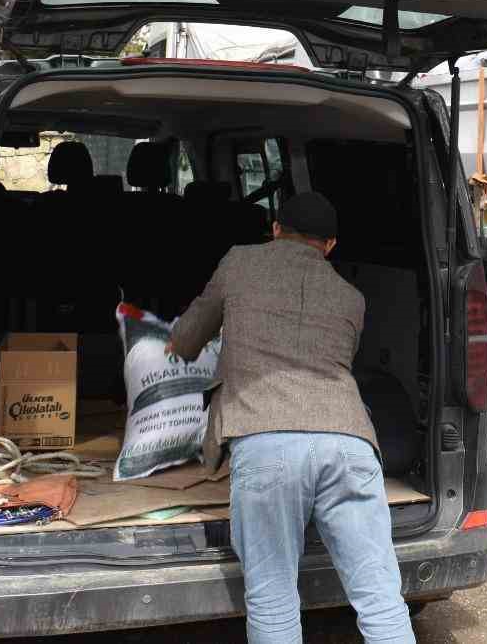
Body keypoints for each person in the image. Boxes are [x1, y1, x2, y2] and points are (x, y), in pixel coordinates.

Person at [167, 191, 413, 644]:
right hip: (350, 444)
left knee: (273, 597)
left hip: (266, 441)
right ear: (331, 245)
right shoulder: (351, 296)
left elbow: (190, 333)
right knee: (381, 599)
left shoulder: (239, 262)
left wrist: (176, 345)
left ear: (275, 229)